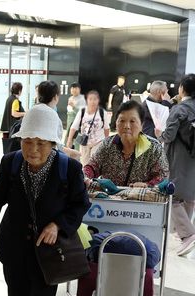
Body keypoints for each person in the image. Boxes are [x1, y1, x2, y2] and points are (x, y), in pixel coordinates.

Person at [0, 106, 90, 296]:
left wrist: (58, 225)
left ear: (53, 143)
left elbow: (80, 204)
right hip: (14, 250)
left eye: (41, 143)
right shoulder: (11, 162)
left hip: (48, 255)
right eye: (27, 141)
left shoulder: (69, 169)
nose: (33, 149)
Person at [83, 100, 168, 188]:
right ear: (116, 123)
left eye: (132, 121)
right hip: (109, 200)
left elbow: (162, 177)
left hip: (140, 200)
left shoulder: (154, 148)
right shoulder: (107, 144)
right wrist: (85, 177)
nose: (126, 126)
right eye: (122, 121)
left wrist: (147, 185)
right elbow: (92, 167)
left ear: (142, 125)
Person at [159, 74, 195, 256]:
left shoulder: (180, 109)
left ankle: (188, 234)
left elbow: (169, 135)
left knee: (171, 195)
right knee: (190, 196)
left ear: (182, 89)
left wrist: (160, 134)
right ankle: (184, 234)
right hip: (193, 159)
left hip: (179, 158)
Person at [34, 80, 81, 161]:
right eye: (72, 88)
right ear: (55, 97)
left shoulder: (32, 111)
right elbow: (55, 147)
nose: (73, 90)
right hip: (45, 158)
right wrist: (69, 152)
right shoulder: (52, 116)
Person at [66, 90, 110, 164]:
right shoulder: (82, 112)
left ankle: (93, 175)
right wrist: (69, 140)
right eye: (90, 99)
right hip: (84, 143)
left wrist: (106, 142)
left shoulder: (102, 112)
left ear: (98, 100)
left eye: (95, 99)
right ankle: (87, 175)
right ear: (87, 100)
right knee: (85, 164)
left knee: (94, 164)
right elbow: (74, 127)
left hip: (98, 142)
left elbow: (106, 128)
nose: (93, 101)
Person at [66, 83, 86, 147]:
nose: (73, 90)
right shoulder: (70, 98)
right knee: (69, 139)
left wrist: (74, 106)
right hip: (70, 121)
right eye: (72, 88)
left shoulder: (82, 98)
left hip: (78, 123)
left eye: (75, 88)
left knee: (77, 141)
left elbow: (83, 112)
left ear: (79, 89)